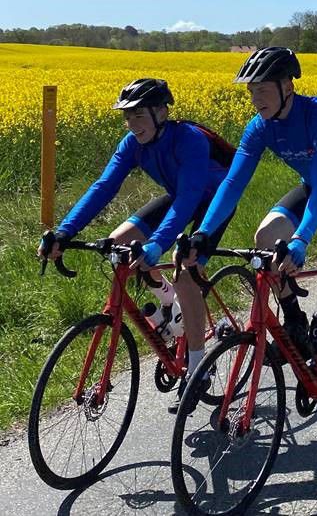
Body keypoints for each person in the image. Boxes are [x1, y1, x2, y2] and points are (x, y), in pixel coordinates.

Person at [184, 47, 317, 435]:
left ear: (288, 86)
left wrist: (302, 239)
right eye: (251, 91)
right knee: (265, 236)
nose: (256, 99)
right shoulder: (260, 127)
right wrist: (203, 233)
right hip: (315, 189)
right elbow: (233, 184)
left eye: (263, 90)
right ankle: (295, 322)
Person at [37, 78, 235, 412]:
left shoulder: (189, 139)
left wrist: (157, 245)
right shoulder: (132, 143)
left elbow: (189, 198)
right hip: (179, 197)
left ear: (162, 112)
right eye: (127, 117)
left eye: (139, 115)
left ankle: (199, 366)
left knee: (186, 273)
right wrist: (64, 233)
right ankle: (171, 308)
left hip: (213, 201)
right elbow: (104, 187)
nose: (131, 124)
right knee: (119, 245)